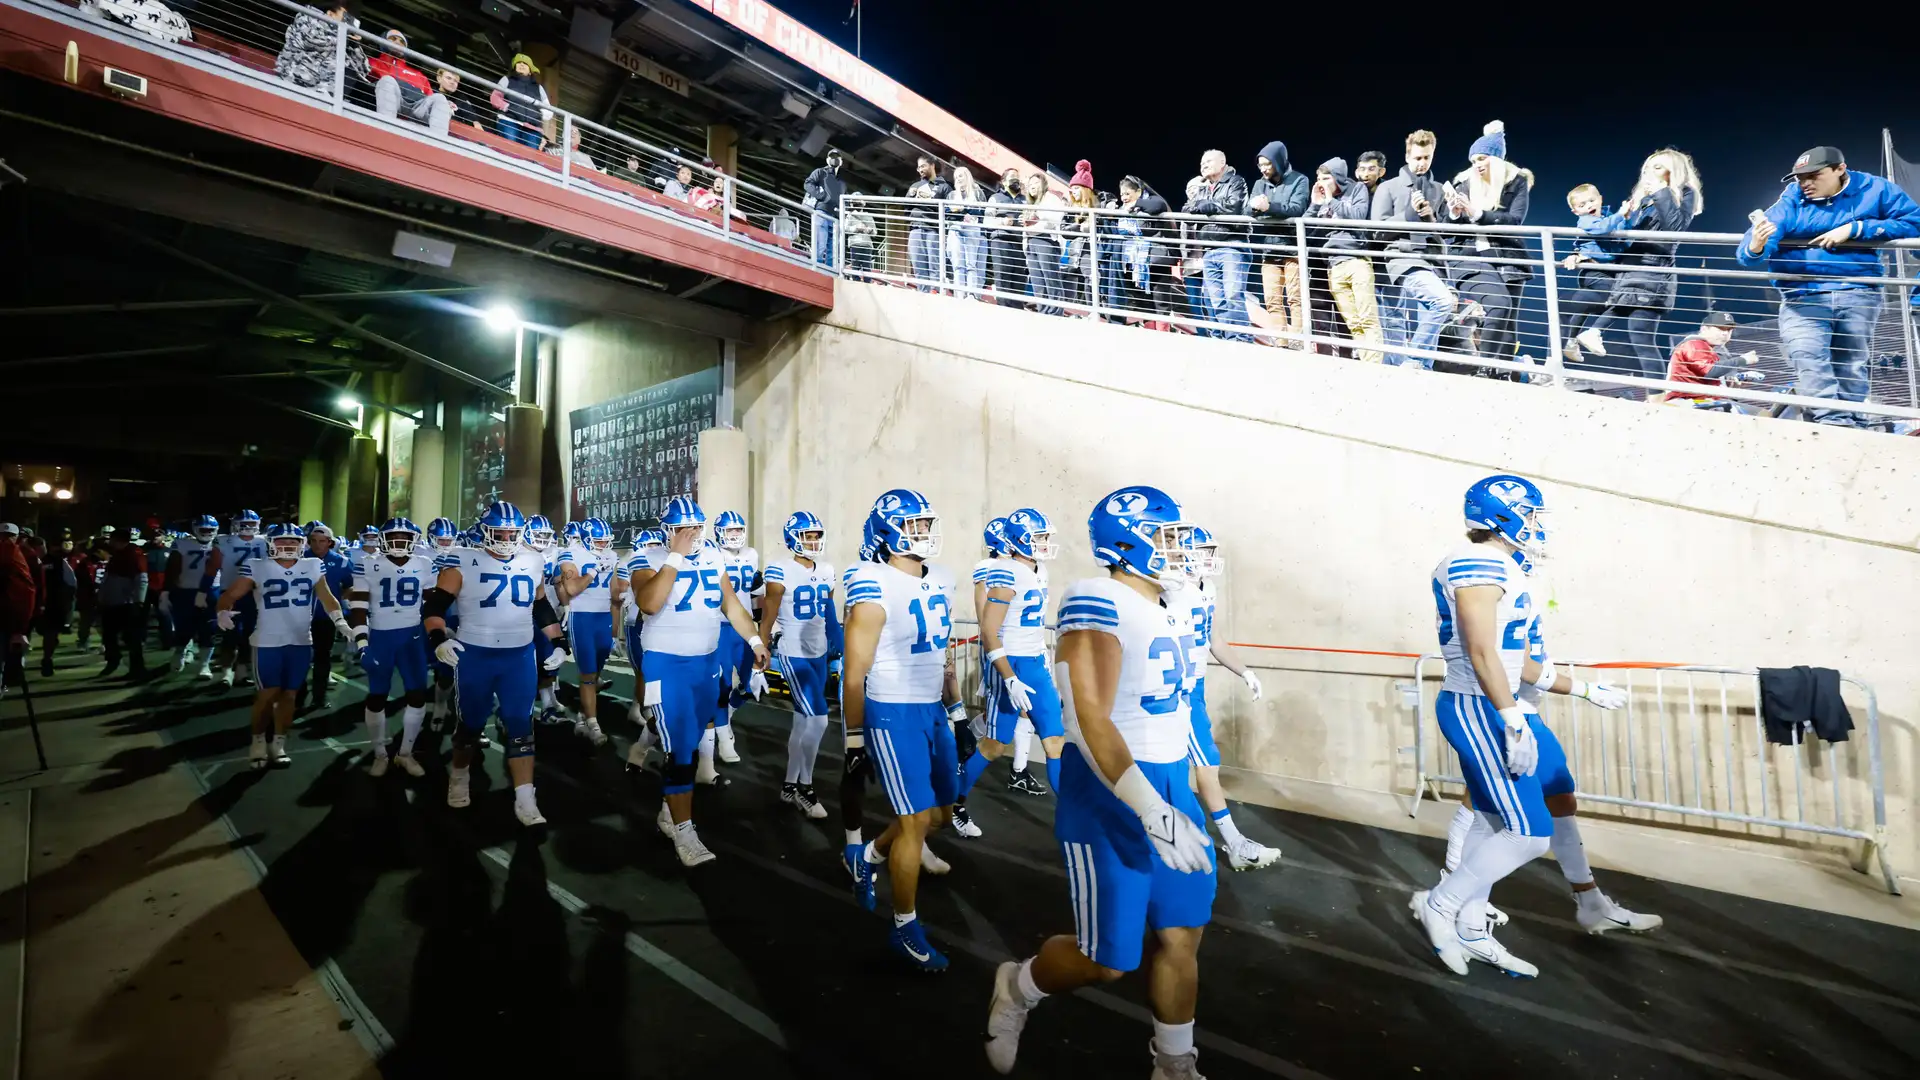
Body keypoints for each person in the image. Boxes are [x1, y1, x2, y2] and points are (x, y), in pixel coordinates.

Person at [983, 485, 1218, 1079]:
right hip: (1112, 788)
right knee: (1107, 959)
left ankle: (1173, 1062)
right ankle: (1019, 987)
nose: (1179, 548)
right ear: (1127, 541)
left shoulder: (1168, 605)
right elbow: (1089, 718)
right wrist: (1147, 805)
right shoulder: (1096, 597)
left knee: (1182, 935)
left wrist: (1187, 796)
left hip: (1168, 784)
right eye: (1166, 536)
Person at [1413, 475, 1566, 978]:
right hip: (1478, 703)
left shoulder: (1502, 563)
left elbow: (1510, 652)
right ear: (1504, 514)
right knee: (1529, 833)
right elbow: (1481, 649)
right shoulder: (1476, 560)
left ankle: (1474, 929)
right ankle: (1439, 905)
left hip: (1488, 701)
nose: (1538, 525)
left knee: (1489, 822)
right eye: (1532, 513)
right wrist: (1511, 716)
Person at [841, 489, 964, 970]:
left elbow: (943, 655)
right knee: (915, 822)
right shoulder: (872, 581)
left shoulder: (944, 579)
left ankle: (868, 854)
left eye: (925, 524)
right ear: (887, 533)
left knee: (939, 814)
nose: (923, 534)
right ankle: (905, 927)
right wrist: (854, 740)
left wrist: (953, 711)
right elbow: (854, 671)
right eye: (913, 526)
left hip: (931, 707)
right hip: (892, 710)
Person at [627, 496, 768, 867]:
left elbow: (731, 603)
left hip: (705, 662)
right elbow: (650, 603)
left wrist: (754, 640)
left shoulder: (712, 556)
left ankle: (669, 812)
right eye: (682, 529)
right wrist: (675, 556)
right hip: (667, 663)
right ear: (668, 531)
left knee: (692, 741)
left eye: (695, 528)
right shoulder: (648, 557)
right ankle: (684, 831)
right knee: (680, 754)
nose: (691, 535)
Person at [1738, 145, 1920, 426]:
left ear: (1840, 169)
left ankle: (1856, 423)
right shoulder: (1792, 198)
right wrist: (1757, 245)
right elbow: (1753, 247)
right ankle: (1834, 422)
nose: (1805, 183)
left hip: (1859, 290)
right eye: (1800, 178)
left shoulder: (1875, 189)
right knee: (1806, 354)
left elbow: (1913, 223)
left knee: (1852, 365)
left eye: (1814, 175)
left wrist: (1857, 229)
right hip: (1804, 294)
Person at [425, 502, 554, 825]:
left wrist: (559, 642)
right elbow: (434, 608)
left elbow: (542, 607)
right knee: (470, 725)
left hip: (519, 655)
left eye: (513, 533)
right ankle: (459, 774)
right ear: (485, 533)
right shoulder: (463, 560)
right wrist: (439, 640)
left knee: (521, 725)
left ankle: (525, 798)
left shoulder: (533, 560)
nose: (508, 539)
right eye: (501, 533)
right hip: (476, 654)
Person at [1170, 527, 1282, 870]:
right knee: (1197, 765)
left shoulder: (1206, 587)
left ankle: (1220, 841)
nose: (1209, 557)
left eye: (1210, 550)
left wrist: (1244, 671)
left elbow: (1214, 640)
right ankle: (1230, 842)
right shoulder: (1171, 588)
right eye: (1201, 550)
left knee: (1197, 766)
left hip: (1194, 688)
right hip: (1175, 691)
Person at [955, 510, 1065, 836]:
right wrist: (1009, 677)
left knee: (1055, 741)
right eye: (1040, 537)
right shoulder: (1005, 571)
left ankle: (1073, 817)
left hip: (1033, 661)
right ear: (1020, 540)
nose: (1045, 544)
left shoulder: (1038, 569)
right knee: (993, 745)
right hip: (1010, 662)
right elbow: (989, 630)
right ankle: (954, 803)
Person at [217, 523, 351, 769]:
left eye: (293, 541)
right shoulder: (257, 566)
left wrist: (340, 621)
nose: (287, 546)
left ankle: (278, 743)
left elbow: (327, 596)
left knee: (290, 696)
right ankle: (257, 741)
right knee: (267, 696)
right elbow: (231, 593)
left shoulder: (312, 565)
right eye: (281, 541)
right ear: (270, 543)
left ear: (302, 545)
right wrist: (222, 611)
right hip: (268, 640)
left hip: (300, 640)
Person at [1575, 149, 1705, 399]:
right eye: (1648, 167)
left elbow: (1675, 228)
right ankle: (1655, 396)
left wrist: (1660, 191)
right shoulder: (1642, 201)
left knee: (1642, 337)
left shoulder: (1685, 192)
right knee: (1638, 335)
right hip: (1628, 272)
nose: (1649, 172)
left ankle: (1657, 397)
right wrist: (1585, 253)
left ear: (1673, 171)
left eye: (1658, 167)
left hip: (1653, 273)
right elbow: (1623, 239)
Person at [758, 512, 840, 819]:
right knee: (818, 719)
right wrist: (760, 649)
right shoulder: (780, 569)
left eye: (817, 535)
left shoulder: (828, 569)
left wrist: (840, 650)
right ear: (793, 537)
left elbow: (829, 614)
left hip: (818, 652)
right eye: (808, 535)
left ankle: (789, 786)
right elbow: (769, 615)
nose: (814, 541)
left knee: (803, 722)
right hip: (794, 652)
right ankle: (806, 788)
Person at [346, 518, 436, 777]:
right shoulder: (367, 564)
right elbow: (359, 605)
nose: (399, 543)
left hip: (413, 637)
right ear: (383, 540)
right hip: (381, 636)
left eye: (405, 538)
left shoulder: (424, 563)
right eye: (394, 537)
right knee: (377, 696)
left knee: (417, 694)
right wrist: (362, 643)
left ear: (414, 540)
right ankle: (379, 753)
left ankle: (405, 753)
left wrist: (440, 630)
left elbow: (431, 602)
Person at [1442, 122, 1534, 372]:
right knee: (1500, 304)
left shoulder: (1516, 182)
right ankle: (1484, 369)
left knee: (1508, 321)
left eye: (1482, 158)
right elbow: (1443, 229)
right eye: (1473, 161)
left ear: (1496, 159)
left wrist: (1478, 213)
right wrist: (1453, 213)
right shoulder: (1463, 183)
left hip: (1508, 260)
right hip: (1469, 258)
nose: (1477, 165)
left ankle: (1502, 376)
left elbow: (1514, 221)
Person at [1371, 131, 1460, 368]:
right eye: (1417, 158)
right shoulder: (1388, 187)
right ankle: (1412, 360)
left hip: (1433, 264)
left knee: (1431, 315)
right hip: (1402, 259)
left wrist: (1449, 215)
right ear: (1407, 156)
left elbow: (1445, 235)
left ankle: (1422, 371)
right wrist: (1410, 214)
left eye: (1427, 158)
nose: (1422, 163)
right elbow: (1376, 232)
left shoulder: (1440, 189)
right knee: (1440, 302)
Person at [1307, 158, 1386, 363]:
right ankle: (1366, 363)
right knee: (1353, 322)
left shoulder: (1357, 189)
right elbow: (1306, 232)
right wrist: (1316, 205)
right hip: (1333, 266)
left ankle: (1375, 366)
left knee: (1367, 318)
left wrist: (1332, 201)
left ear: (1337, 178)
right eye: (1318, 178)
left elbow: (1357, 217)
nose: (1321, 182)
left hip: (1356, 261)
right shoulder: (1321, 201)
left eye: (1326, 178)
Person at [710, 511, 763, 770]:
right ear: (719, 532)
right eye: (730, 530)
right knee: (721, 684)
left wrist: (762, 627)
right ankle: (723, 736)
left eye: (738, 530)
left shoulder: (751, 555)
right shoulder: (712, 553)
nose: (735, 535)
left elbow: (755, 592)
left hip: (744, 626)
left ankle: (726, 716)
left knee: (748, 685)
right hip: (719, 626)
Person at [557, 517, 617, 747]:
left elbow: (613, 594)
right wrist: (592, 572)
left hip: (603, 618)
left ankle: (582, 718)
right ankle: (593, 723)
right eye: (598, 541)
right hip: (581, 617)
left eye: (605, 542)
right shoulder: (570, 554)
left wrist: (615, 629)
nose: (603, 546)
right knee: (588, 674)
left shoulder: (610, 556)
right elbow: (571, 588)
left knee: (595, 673)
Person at [1183, 150, 1251, 340]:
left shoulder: (1236, 182)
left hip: (1231, 246)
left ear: (1222, 163)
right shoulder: (1203, 188)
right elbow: (1187, 209)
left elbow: (1234, 206)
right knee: (1216, 301)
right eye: (1201, 162)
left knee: (1233, 296)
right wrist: (1202, 204)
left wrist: (1207, 206)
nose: (1203, 165)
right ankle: (1229, 339)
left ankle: (1243, 340)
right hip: (1209, 250)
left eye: (1208, 161)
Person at [1247, 141, 1311, 338]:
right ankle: (1281, 343)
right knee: (1272, 299)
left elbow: (1296, 209)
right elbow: (1249, 211)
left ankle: (1299, 342)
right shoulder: (1259, 184)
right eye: (1261, 165)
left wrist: (1269, 208)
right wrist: (1258, 208)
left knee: (1295, 298)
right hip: (1269, 249)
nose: (1264, 169)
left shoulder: (1299, 180)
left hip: (1293, 249)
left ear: (1279, 161)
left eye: (1268, 164)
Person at [1558, 183, 1622, 363]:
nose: (1589, 206)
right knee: (1619, 296)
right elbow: (1602, 229)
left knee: (1585, 306)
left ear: (1600, 199)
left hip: (1601, 272)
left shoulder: (1608, 216)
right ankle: (1593, 332)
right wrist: (1622, 214)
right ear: (1576, 211)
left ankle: (1570, 341)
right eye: (1582, 205)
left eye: (1592, 200)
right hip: (1595, 273)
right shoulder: (1587, 220)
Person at [298, 522, 355, 712]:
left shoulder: (342, 561)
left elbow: (350, 585)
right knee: (302, 658)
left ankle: (319, 697)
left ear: (330, 542)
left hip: (326, 617)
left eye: (322, 541)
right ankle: (298, 696)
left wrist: (341, 601)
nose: (317, 545)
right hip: (300, 616)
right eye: (313, 541)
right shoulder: (300, 558)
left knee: (323, 657)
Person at [1652, 311, 1762, 407]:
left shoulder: (1713, 350)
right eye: (1720, 328)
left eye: (1729, 330)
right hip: (1685, 402)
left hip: (1703, 402)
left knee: (1760, 414)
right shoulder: (1694, 344)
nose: (1725, 333)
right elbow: (1709, 371)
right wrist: (1742, 360)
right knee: (1758, 416)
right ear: (1704, 329)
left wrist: (1733, 387)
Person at [1114, 176, 1183, 328]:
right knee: (1142, 299)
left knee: (1160, 298)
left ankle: (1163, 332)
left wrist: (1135, 204)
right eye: (1122, 195)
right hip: (1134, 259)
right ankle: (1150, 330)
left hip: (1157, 258)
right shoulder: (1123, 209)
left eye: (1127, 193)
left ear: (1139, 191)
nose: (1124, 198)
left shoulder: (1152, 200)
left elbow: (1157, 206)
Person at [161, 514, 219, 675]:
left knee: (209, 629)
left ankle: (204, 665)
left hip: (211, 591)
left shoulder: (222, 543)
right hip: (186, 591)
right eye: (204, 529)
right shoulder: (182, 543)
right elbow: (172, 568)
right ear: (195, 529)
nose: (207, 533)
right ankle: (180, 653)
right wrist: (166, 590)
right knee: (184, 628)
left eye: (210, 530)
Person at [274, 2, 368, 100]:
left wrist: (355, 45)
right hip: (294, 81)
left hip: (324, 95)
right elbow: (310, 40)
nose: (346, 21)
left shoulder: (343, 37)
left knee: (350, 73)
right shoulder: (309, 18)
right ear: (330, 14)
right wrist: (340, 38)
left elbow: (362, 71)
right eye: (345, 16)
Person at [369, 29, 451, 136]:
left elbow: (430, 98)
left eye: (402, 42)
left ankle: (439, 144)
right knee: (387, 80)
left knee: (440, 98)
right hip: (393, 101)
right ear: (383, 41)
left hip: (417, 107)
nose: (398, 43)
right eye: (393, 39)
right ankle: (386, 132)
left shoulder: (418, 74)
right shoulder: (373, 62)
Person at [96, 527, 149, 679]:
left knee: (132, 638)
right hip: (113, 602)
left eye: (112, 539)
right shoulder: (118, 554)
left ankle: (137, 669)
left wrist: (139, 600)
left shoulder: (134, 554)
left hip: (127, 603)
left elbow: (142, 578)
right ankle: (114, 659)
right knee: (109, 635)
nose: (109, 542)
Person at [1021, 173, 1069, 316]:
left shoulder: (1051, 198)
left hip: (1046, 240)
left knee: (1050, 278)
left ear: (1043, 184)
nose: (1032, 186)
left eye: (1035, 183)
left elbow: (1055, 217)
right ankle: (1043, 311)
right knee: (1037, 280)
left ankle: (1055, 313)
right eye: (1029, 184)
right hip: (1030, 241)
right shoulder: (1030, 203)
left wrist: (1036, 216)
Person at [906, 156, 952, 290]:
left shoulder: (944, 187)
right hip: (915, 229)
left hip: (934, 231)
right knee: (918, 266)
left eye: (923, 166)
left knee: (935, 266)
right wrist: (911, 196)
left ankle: (935, 294)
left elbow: (949, 211)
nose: (920, 170)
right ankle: (923, 295)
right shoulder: (915, 186)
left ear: (932, 165)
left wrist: (930, 201)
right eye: (918, 167)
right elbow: (906, 207)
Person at [30, 535, 73, 678]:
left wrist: (66, 602)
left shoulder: (57, 562)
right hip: (31, 603)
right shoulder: (25, 561)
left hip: (52, 605)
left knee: (50, 634)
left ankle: (47, 660)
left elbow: (71, 583)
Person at [985, 170, 1029, 305]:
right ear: (1004, 181)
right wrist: (1002, 222)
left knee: (1019, 279)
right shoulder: (995, 198)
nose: (1016, 180)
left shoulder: (1025, 200)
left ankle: (1017, 310)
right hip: (1001, 240)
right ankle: (1003, 308)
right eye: (1012, 178)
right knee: (1003, 277)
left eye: (1017, 177)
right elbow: (986, 222)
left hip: (1019, 244)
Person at [946, 166, 990, 298]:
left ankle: (972, 295)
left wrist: (964, 212)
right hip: (956, 229)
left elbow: (983, 212)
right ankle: (960, 295)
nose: (958, 179)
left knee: (971, 264)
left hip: (973, 229)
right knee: (958, 264)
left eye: (960, 176)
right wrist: (962, 215)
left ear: (967, 176)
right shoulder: (952, 195)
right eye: (956, 177)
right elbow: (947, 214)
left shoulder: (977, 193)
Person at [491, 53, 550, 149]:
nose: (521, 64)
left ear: (530, 70)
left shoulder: (539, 88)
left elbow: (548, 108)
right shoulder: (506, 80)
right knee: (509, 149)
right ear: (515, 67)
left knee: (529, 156)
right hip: (509, 121)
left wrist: (539, 115)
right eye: (519, 63)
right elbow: (495, 97)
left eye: (525, 63)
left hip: (533, 128)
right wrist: (507, 107)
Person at [0, 523, 33, 691]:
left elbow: (26, 590)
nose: (5, 540)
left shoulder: (19, 554)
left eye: (8, 536)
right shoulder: (15, 553)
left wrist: (20, 627)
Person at [804, 149, 847, 268]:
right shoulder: (820, 172)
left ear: (841, 161)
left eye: (837, 157)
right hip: (822, 212)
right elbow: (808, 184)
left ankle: (830, 271)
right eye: (832, 157)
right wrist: (822, 195)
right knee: (820, 244)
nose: (834, 159)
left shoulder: (842, 182)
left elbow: (845, 200)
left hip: (835, 217)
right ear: (827, 159)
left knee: (833, 248)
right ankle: (816, 269)